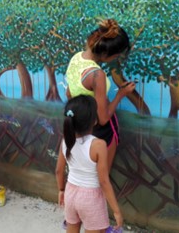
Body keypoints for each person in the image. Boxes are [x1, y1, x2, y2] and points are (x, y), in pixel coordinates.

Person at [65, 19, 135, 168]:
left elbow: (69, 93)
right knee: (100, 179)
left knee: (85, 174)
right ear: (104, 53)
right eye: (116, 56)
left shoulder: (76, 58)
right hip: (102, 132)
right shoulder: (97, 74)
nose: (115, 59)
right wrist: (121, 94)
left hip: (83, 127)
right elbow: (103, 119)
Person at [55, 95, 123, 233]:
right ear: (94, 121)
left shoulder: (66, 141)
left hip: (70, 193)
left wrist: (61, 190)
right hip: (91, 199)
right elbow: (104, 181)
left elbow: (58, 171)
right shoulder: (98, 145)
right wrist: (116, 211)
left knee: (71, 228)